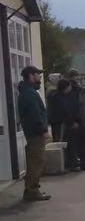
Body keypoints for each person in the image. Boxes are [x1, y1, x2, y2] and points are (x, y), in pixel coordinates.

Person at [16, 65, 51, 202]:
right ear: (31, 76)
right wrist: (43, 130)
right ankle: (32, 190)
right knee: (36, 161)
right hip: (35, 133)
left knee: (34, 161)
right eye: (38, 74)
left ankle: (32, 189)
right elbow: (35, 115)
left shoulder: (27, 91)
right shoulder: (30, 94)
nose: (40, 77)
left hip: (32, 132)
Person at [66, 69, 85, 171]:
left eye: (78, 76)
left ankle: (84, 163)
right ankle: (74, 164)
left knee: (84, 144)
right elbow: (66, 108)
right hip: (74, 122)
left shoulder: (82, 91)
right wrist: (71, 122)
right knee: (73, 144)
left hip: (84, 121)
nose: (78, 78)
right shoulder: (68, 91)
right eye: (75, 76)